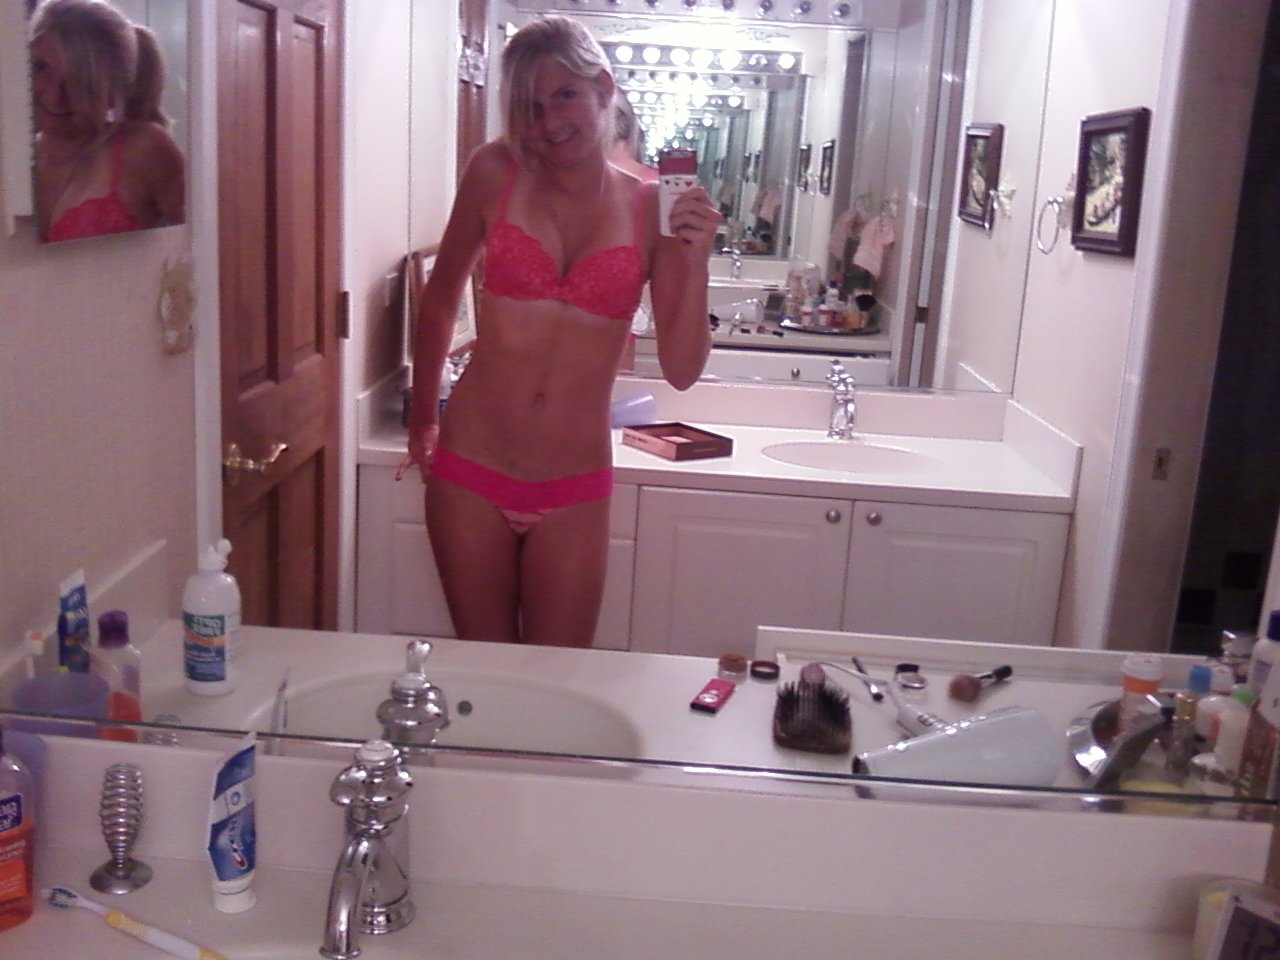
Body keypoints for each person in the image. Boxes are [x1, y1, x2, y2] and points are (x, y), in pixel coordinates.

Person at [397, 16, 721, 647]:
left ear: (603, 88)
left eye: (565, 95)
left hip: (574, 483)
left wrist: (695, 262)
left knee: (559, 675)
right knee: (484, 668)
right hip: (471, 466)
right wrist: (423, 423)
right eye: (531, 106)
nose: (548, 123)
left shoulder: (653, 206)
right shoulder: (495, 171)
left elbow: (682, 369)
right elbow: (439, 300)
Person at [29, 0, 186, 243]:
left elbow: (209, 243)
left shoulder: (143, 149)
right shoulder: (13, 161)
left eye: (81, 80)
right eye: (42, 68)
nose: (55, 97)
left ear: (115, 92)